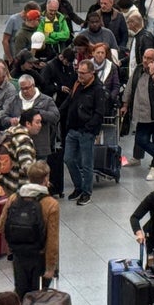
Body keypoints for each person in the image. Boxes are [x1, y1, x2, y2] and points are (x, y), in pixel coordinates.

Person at [0, 161, 59, 296]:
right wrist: (51, 268)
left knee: (21, 292)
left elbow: (0, 227)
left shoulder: (14, 198)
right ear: (46, 178)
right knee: (38, 297)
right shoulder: (51, 204)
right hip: (39, 257)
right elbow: (52, 240)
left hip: (19, 255)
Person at [60, 59, 107, 206]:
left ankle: (86, 192)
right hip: (73, 129)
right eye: (78, 72)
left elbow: (100, 112)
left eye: (82, 73)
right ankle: (78, 186)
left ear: (92, 73)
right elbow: (70, 101)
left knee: (87, 163)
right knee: (68, 159)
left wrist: (89, 127)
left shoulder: (98, 89)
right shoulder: (77, 84)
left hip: (86, 132)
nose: (79, 75)